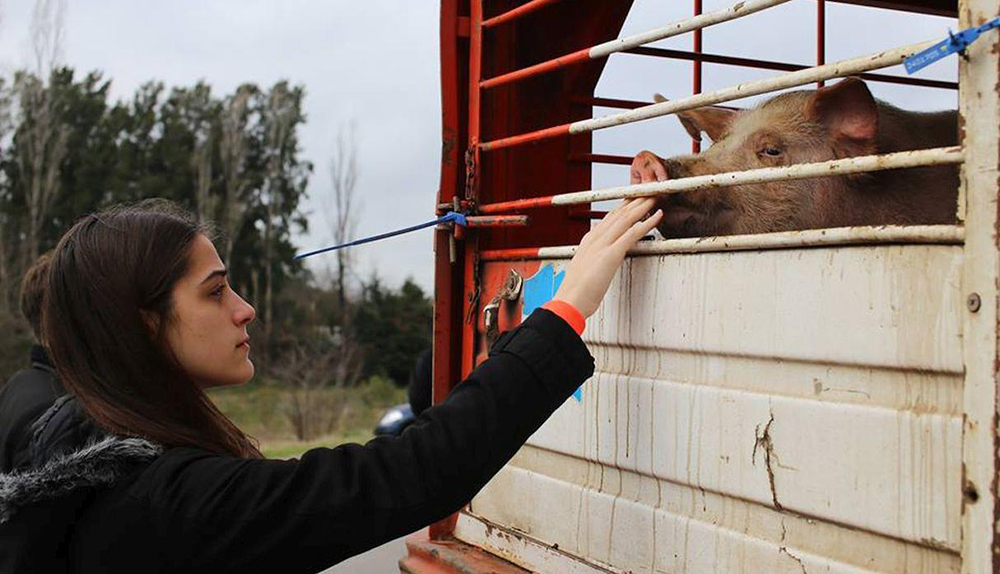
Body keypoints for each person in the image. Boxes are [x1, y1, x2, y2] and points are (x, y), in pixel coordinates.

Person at [0, 197, 662, 573]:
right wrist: (566, 306)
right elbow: (408, 473)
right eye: (215, 291)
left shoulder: (77, 452)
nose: (244, 308)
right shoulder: (168, 504)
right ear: (145, 324)